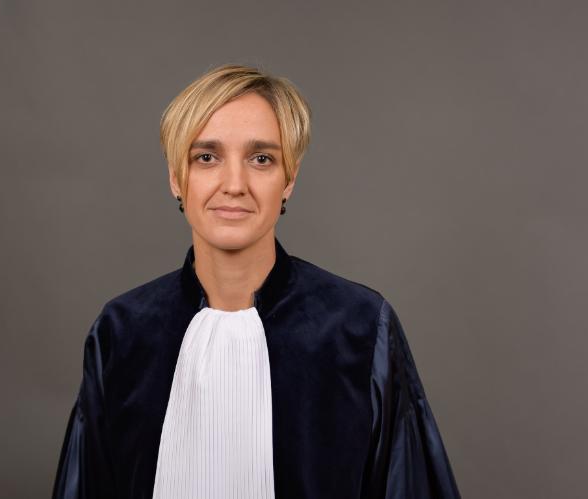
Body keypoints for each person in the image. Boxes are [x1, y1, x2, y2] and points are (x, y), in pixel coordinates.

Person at [51, 64, 461, 499]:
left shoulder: (360, 328)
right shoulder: (121, 332)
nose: (234, 184)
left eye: (261, 159)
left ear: (289, 179)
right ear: (176, 178)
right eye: (206, 157)